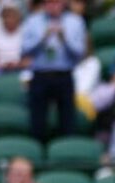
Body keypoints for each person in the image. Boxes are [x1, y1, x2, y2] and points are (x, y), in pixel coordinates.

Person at [20, 0, 86, 139]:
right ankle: (38, 156)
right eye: (49, 2)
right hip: (40, 76)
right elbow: (24, 50)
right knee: (37, 123)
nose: (53, 5)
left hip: (64, 76)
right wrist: (42, 38)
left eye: (56, 2)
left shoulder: (76, 21)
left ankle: (66, 155)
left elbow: (80, 52)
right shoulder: (33, 20)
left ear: (63, 3)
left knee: (67, 122)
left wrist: (65, 39)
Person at [0, 2, 27, 78]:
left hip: (19, 68)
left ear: (18, 17)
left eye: (12, 15)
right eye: (6, 16)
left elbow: (28, 59)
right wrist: (4, 66)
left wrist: (17, 65)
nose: (9, 19)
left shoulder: (25, 30)